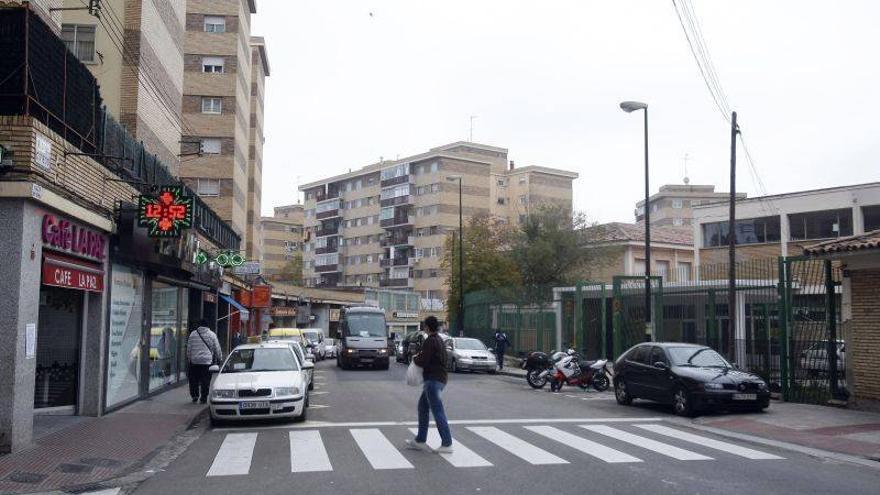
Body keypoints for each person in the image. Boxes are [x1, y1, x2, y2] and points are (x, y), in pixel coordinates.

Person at [406, 316, 453, 453]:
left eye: (424, 326)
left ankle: (447, 443)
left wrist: (415, 358)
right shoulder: (439, 340)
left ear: (427, 327)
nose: (423, 328)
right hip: (439, 379)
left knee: (437, 411)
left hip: (433, 380)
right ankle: (420, 440)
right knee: (423, 407)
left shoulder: (430, 341)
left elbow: (424, 360)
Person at [186, 319, 222, 404]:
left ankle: (194, 395)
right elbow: (217, 347)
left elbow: (189, 348)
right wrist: (220, 358)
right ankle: (204, 397)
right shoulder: (212, 334)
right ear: (207, 326)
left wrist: (189, 358)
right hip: (206, 362)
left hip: (194, 361)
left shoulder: (193, 334)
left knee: (193, 379)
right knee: (205, 380)